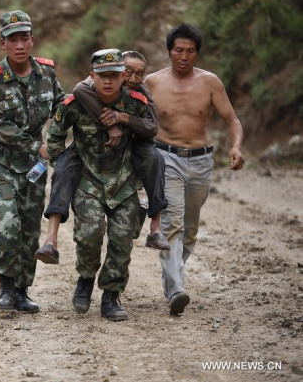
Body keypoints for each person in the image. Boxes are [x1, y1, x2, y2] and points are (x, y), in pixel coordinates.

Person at [144, 23, 244, 315]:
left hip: (201, 160)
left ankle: (171, 278)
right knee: (171, 224)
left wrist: (237, 146)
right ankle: (176, 289)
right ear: (169, 51)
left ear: (197, 53)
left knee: (189, 230)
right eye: (179, 50)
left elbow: (232, 120)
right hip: (166, 157)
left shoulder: (210, 82)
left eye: (190, 51)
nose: (184, 56)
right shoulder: (153, 82)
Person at [36, 50, 169, 266]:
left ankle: (155, 226)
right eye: (127, 72)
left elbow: (152, 126)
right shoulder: (87, 90)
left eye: (139, 74)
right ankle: (51, 239)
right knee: (63, 168)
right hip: (88, 153)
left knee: (155, 159)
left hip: (131, 150)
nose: (132, 79)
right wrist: (111, 125)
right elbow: (79, 91)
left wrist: (123, 118)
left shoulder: (138, 95)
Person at [46, 49, 150, 321]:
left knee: (122, 241)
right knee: (89, 235)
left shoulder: (135, 102)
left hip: (124, 182)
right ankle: (85, 278)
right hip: (88, 180)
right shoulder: (74, 103)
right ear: (92, 76)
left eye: (114, 76)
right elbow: (55, 136)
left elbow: (151, 131)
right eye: (102, 76)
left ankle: (111, 296)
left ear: (122, 76)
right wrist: (64, 166)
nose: (108, 81)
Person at [0, 10, 64, 313]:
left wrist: (56, 139)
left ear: (32, 40)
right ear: (2, 43)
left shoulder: (47, 73)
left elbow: (62, 108)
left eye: (23, 38)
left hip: (33, 169)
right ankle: (5, 286)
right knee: (6, 224)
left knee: (29, 229)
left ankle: (22, 290)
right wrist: (36, 145)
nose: (19, 45)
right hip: (1, 164)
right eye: (12, 39)